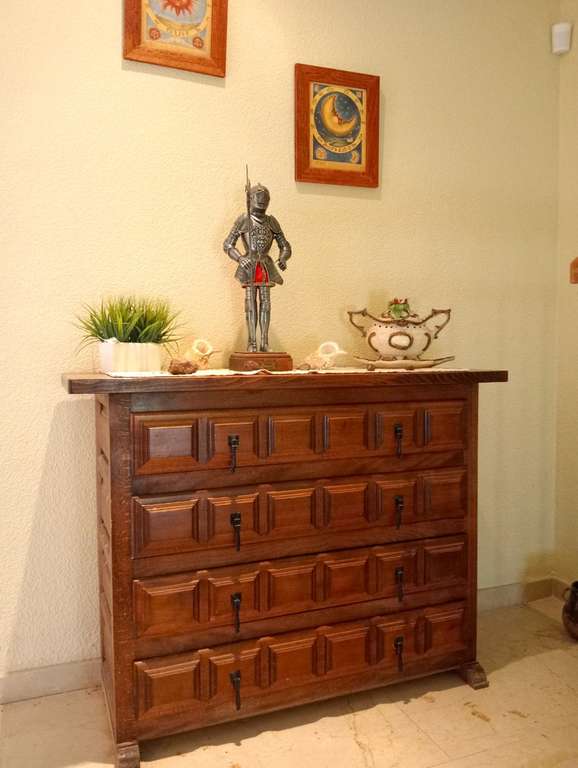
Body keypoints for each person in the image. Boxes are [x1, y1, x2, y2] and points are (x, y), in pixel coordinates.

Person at [223, 183, 292, 352]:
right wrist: (240, 258)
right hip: (249, 265)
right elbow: (228, 244)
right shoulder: (244, 219)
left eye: (264, 198)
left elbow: (285, 245)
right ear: (251, 199)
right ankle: (252, 342)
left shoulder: (271, 221)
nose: (262, 201)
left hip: (266, 265)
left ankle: (264, 342)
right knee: (250, 304)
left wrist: (283, 258)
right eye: (258, 197)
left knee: (266, 304)